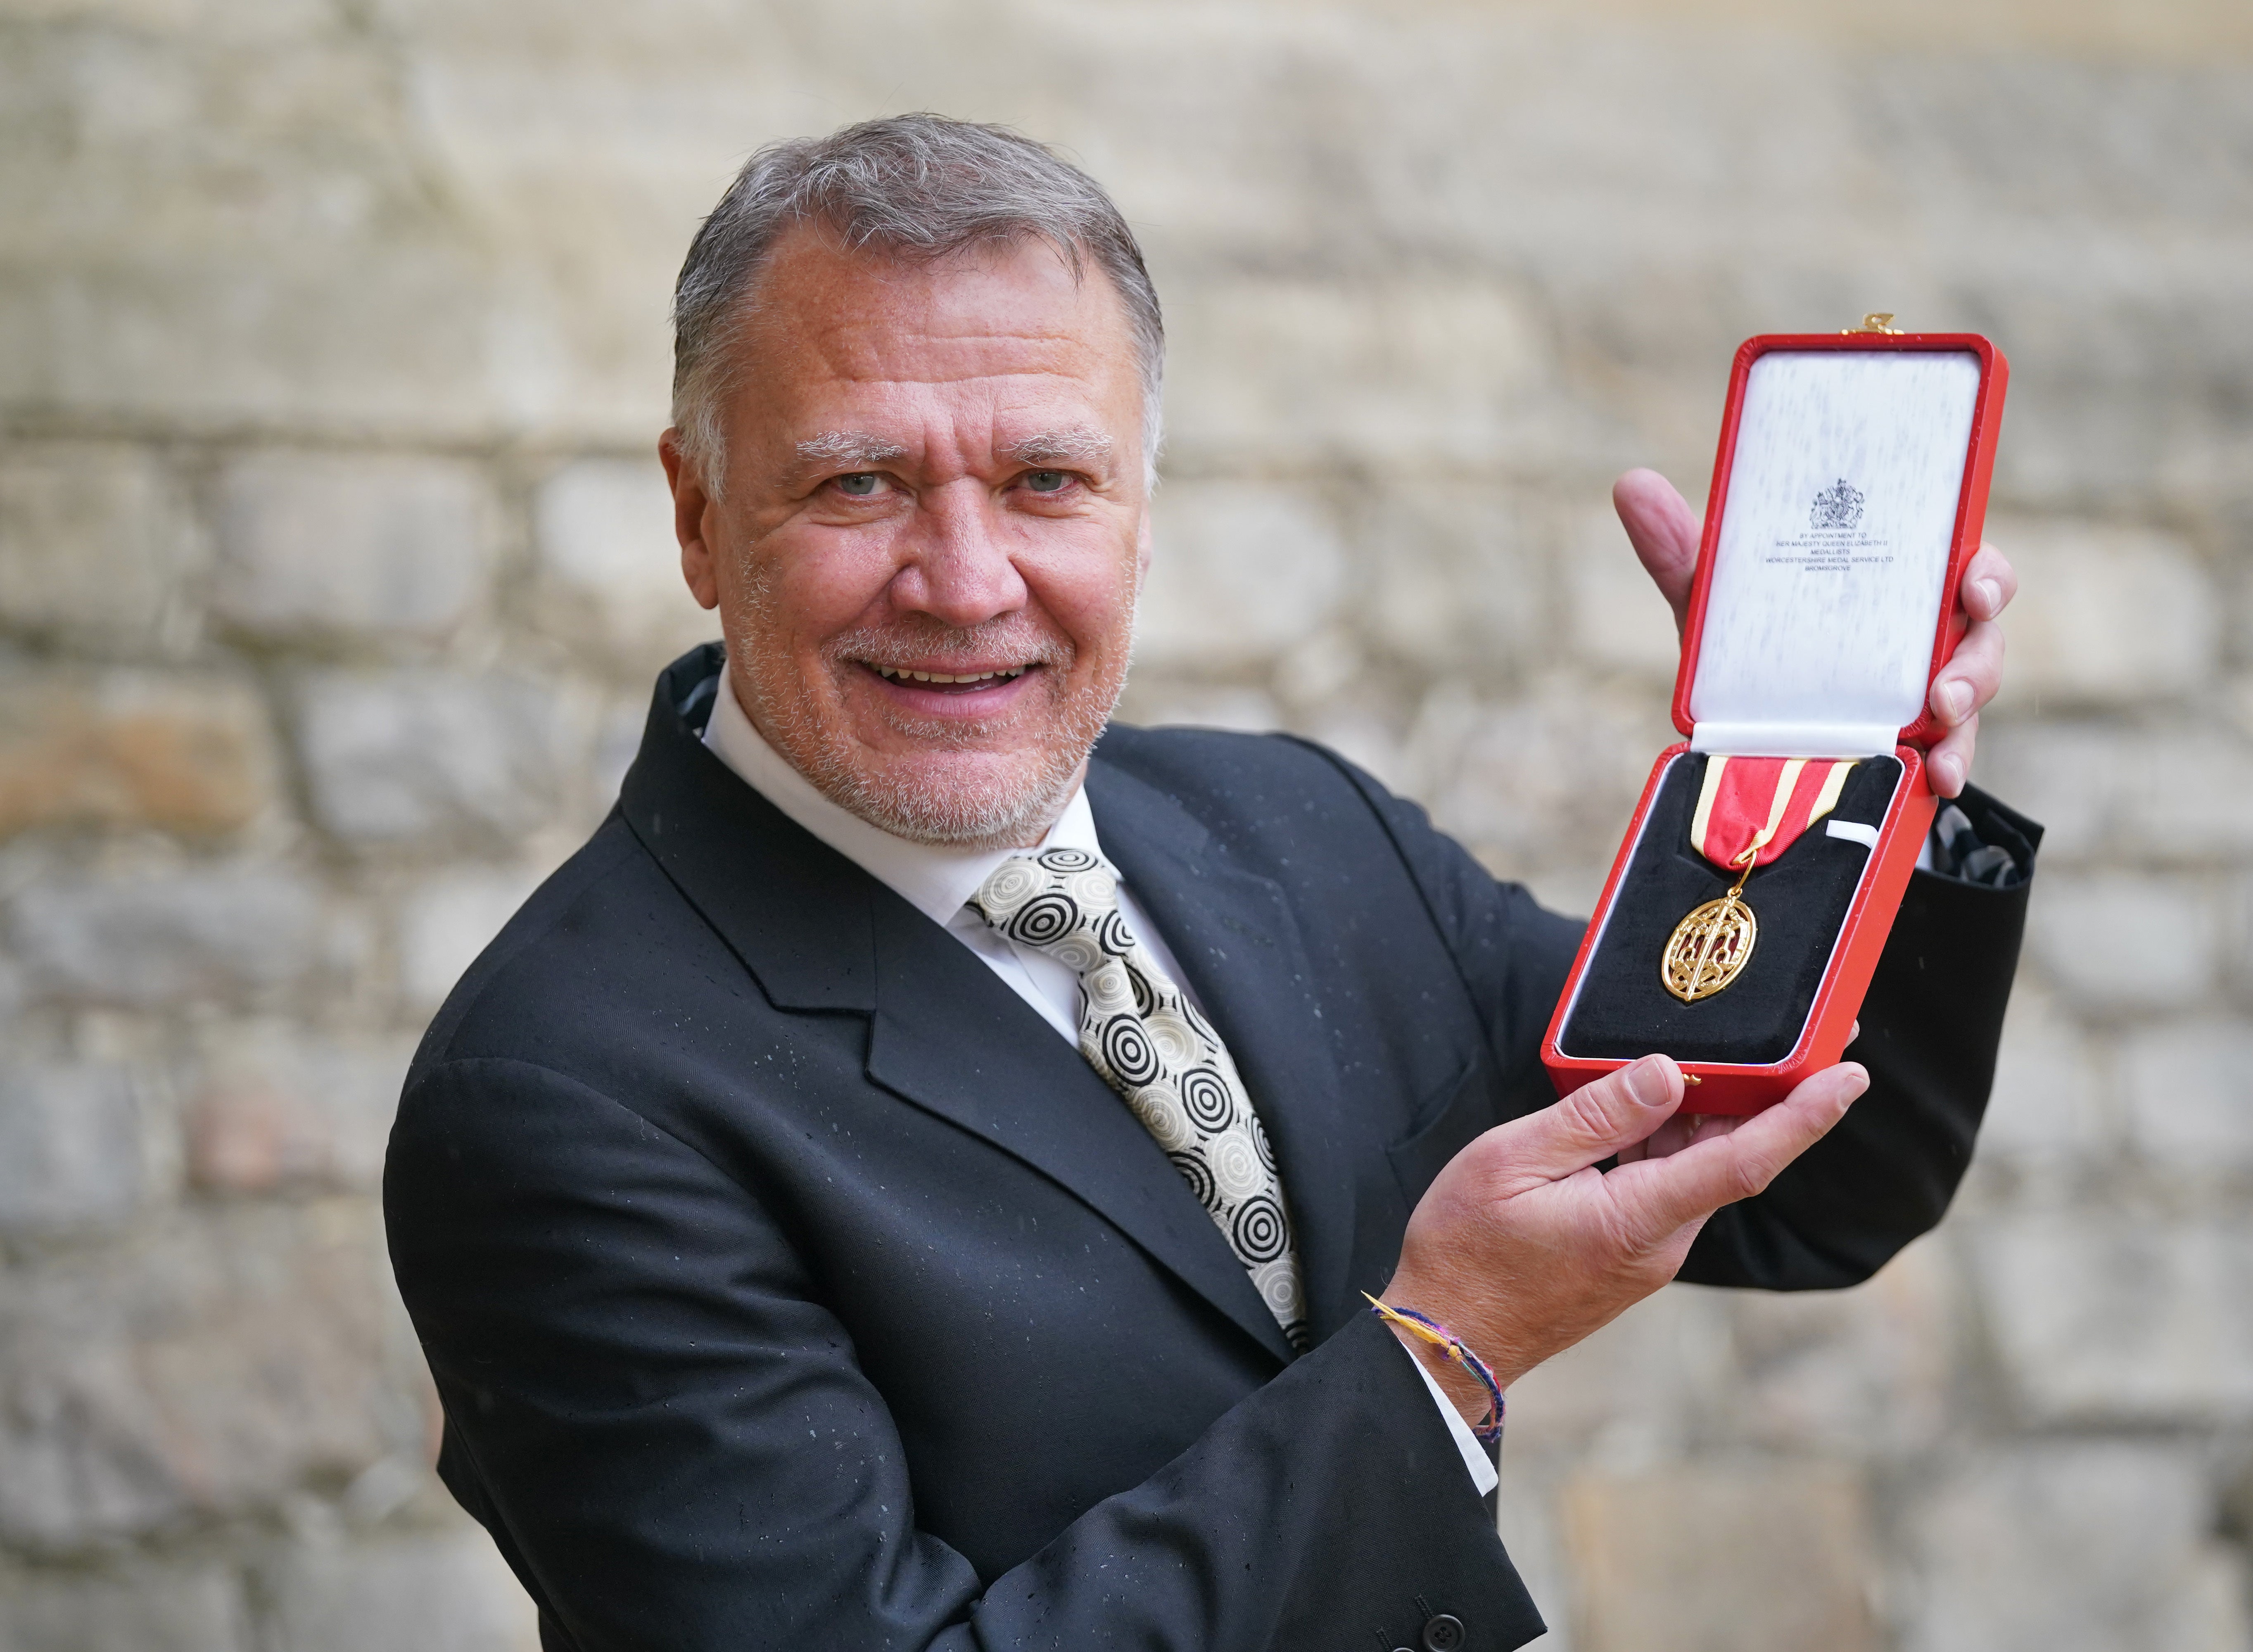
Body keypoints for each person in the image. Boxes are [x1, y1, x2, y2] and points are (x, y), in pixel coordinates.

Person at [384, 115, 2036, 1652]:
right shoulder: (561, 1092)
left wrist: (1819, 775)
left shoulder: (1295, 825)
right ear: (696, 512)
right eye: (859, 482)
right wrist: (1435, 1356)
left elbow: (1798, 1177)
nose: (967, 584)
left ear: (1140, 508)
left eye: (1047, 482)